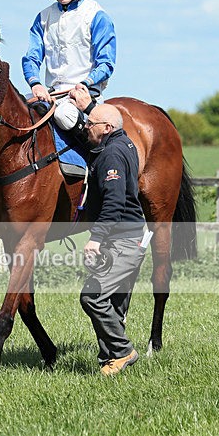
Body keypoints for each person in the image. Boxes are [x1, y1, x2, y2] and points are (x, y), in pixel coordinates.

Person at [73, 102, 147, 376]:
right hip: (133, 236)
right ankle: (111, 361)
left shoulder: (113, 154)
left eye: (90, 124)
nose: (86, 127)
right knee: (113, 303)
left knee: (92, 297)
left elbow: (114, 201)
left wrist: (96, 238)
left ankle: (123, 351)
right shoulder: (125, 143)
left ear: (106, 128)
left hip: (124, 241)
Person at [22, 0, 116, 152]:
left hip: (84, 93)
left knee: (64, 115)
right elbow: (31, 57)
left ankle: (96, 159)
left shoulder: (96, 15)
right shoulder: (43, 17)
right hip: (50, 94)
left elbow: (106, 64)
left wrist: (85, 84)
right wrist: (35, 83)